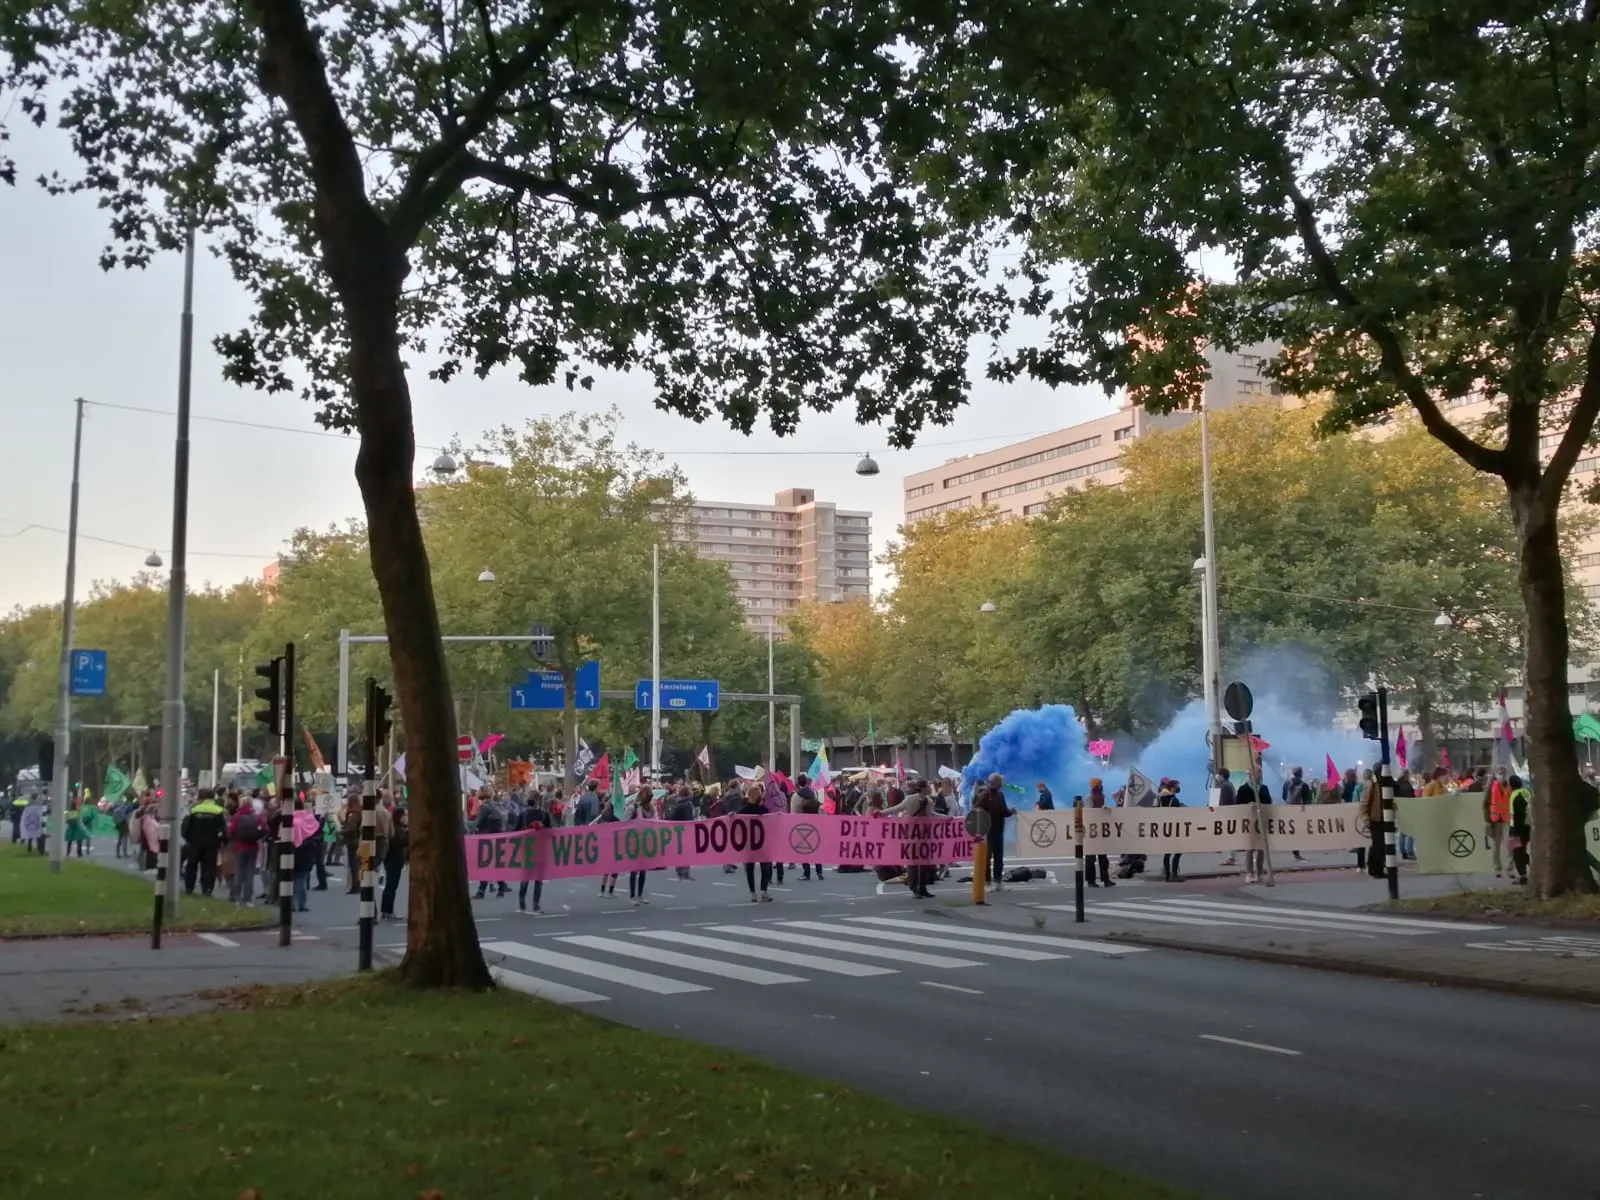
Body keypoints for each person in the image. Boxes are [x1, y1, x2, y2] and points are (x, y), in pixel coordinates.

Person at [882, 781, 937, 898]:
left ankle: (922, 887)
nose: (930, 789)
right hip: (912, 834)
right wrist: (881, 813)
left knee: (924, 862)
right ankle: (914, 888)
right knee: (913, 862)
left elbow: (932, 814)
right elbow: (897, 808)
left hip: (925, 834)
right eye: (928, 787)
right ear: (922, 789)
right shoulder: (910, 799)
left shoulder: (929, 801)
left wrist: (948, 818)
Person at [181, 789, 228, 896]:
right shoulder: (218, 810)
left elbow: (185, 827)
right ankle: (207, 889)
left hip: (195, 843)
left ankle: (189, 888)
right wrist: (224, 841)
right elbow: (224, 829)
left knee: (192, 865)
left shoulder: (194, 810)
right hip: (212, 844)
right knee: (209, 867)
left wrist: (188, 839)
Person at [973, 773, 1014, 890]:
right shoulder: (985, 794)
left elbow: (1004, 811)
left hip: (999, 829)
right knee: (987, 857)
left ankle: (998, 881)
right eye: (992, 782)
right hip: (987, 831)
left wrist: (1010, 811)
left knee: (998, 857)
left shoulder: (1000, 795)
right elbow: (975, 808)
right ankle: (986, 882)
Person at [738, 786, 774, 901]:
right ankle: (764, 892)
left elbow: (735, 823)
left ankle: (753, 893)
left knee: (750, 868)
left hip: (749, 843)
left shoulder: (743, 811)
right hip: (762, 842)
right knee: (765, 867)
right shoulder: (764, 810)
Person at [1236, 768, 1271, 884]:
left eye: (1260, 772)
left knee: (1261, 849)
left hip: (1261, 822)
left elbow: (1269, 802)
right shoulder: (1243, 789)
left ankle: (1259, 873)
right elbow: (1238, 805)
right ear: (1251, 774)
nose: (1260, 774)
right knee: (1250, 848)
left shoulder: (1264, 788)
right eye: (1258, 772)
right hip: (1249, 822)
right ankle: (1250, 872)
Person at [516, 795, 550, 913]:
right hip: (540, 849)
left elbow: (515, 831)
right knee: (538, 879)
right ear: (538, 801)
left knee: (525, 877)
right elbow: (551, 832)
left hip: (527, 848)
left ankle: (522, 902)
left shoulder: (523, 815)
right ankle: (536, 904)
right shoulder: (544, 814)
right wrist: (542, 827)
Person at [227, 800, 263, 905]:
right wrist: (256, 837)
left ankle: (237, 897)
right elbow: (264, 830)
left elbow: (231, 830)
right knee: (250, 873)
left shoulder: (236, 817)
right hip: (253, 847)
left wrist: (235, 839)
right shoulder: (256, 817)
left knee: (239, 871)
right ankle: (248, 898)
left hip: (239, 847)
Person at [790, 773, 824, 880]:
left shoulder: (796, 795)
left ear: (798, 783)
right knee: (816, 848)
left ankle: (806, 872)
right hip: (814, 823)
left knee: (804, 849)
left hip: (802, 825)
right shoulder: (813, 793)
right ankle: (819, 872)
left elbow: (794, 812)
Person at [1084, 778, 1115, 887]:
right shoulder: (1089, 798)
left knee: (1103, 858)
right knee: (1090, 859)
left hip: (1100, 830)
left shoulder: (1101, 796)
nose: (1102, 786)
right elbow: (1089, 813)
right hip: (1092, 832)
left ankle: (1105, 879)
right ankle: (1091, 881)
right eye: (1100, 784)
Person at [380, 806, 410, 919]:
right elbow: (400, 842)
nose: (406, 818)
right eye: (404, 815)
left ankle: (386, 910)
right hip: (394, 860)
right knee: (391, 885)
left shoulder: (396, 828)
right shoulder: (396, 830)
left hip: (392, 859)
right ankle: (388, 910)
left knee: (390, 885)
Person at [1280, 766, 1311, 861]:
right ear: (1301, 774)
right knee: (1298, 831)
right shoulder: (1304, 785)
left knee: (1291, 830)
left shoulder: (1286, 783)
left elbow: (1284, 797)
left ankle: (1293, 849)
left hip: (1289, 810)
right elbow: (1306, 800)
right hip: (1299, 810)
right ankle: (1296, 852)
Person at [1506, 773, 1532, 885]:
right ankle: (1529, 870)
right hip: (1527, 827)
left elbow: (1518, 815)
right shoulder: (1525, 793)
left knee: (1517, 852)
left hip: (1517, 829)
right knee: (1522, 851)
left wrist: (1516, 832)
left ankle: (1523, 876)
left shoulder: (1516, 796)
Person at [1484, 770, 1510, 878]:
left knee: (1510, 844)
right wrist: (1488, 820)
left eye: (1503, 774)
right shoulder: (1491, 787)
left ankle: (1510, 868)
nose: (1501, 776)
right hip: (1496, 819)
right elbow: (1486, 804)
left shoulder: (1508, 786)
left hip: (1506, 818)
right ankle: (1497, 867)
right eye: (1500, 773)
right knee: (1497, 845)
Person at [1158, 778, 1184, 882]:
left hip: (1165, 827)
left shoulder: (1161, 799)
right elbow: (1177, 815)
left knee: (1167, 852)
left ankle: (1167, 874)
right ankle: (1174, 874)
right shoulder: (1174, 800)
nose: (1178, 788)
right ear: (1172, 787)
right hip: (1174, 828)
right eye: (1177, 786)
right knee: (1178, 851)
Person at [1361, 768, 1385, 879]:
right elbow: (1364, 803)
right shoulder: (1371, 784)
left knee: (1379, 845)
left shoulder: (1381, 784)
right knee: (1378, 845)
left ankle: (1375, 868)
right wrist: (1366, 819)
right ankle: (1375, 869)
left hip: (1382, 818)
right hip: (1375, 818)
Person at [1215, 768, 1239, 866]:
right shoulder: (1229, 784)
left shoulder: (1224, 786)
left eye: (1218, 774)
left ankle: (1229, 857)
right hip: (1231, 813)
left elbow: (1224, 801)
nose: (1216, 776)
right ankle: (1230, 857)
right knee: (1229, 836)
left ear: (1221, 775)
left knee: (1226, 836)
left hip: (1226, 813)